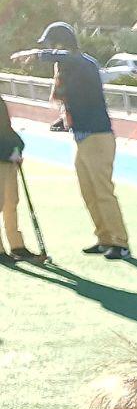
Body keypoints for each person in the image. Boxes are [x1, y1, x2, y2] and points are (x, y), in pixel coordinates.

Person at [9, 22, 129, 259]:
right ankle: (104, 237)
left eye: (53, 45)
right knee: (88, 191)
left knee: (103, 191)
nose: (52, 51)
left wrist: (36, 55)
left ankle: (120, 242)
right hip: (82, 137)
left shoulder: (84, 64)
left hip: (97, 136)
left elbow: (71, 59)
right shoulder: (68, 70)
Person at [0, 95, 42, 264]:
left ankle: (16, 245)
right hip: (3, 157)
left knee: (11, 202)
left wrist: (17, 147)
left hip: (8, 159)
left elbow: (6, 128)